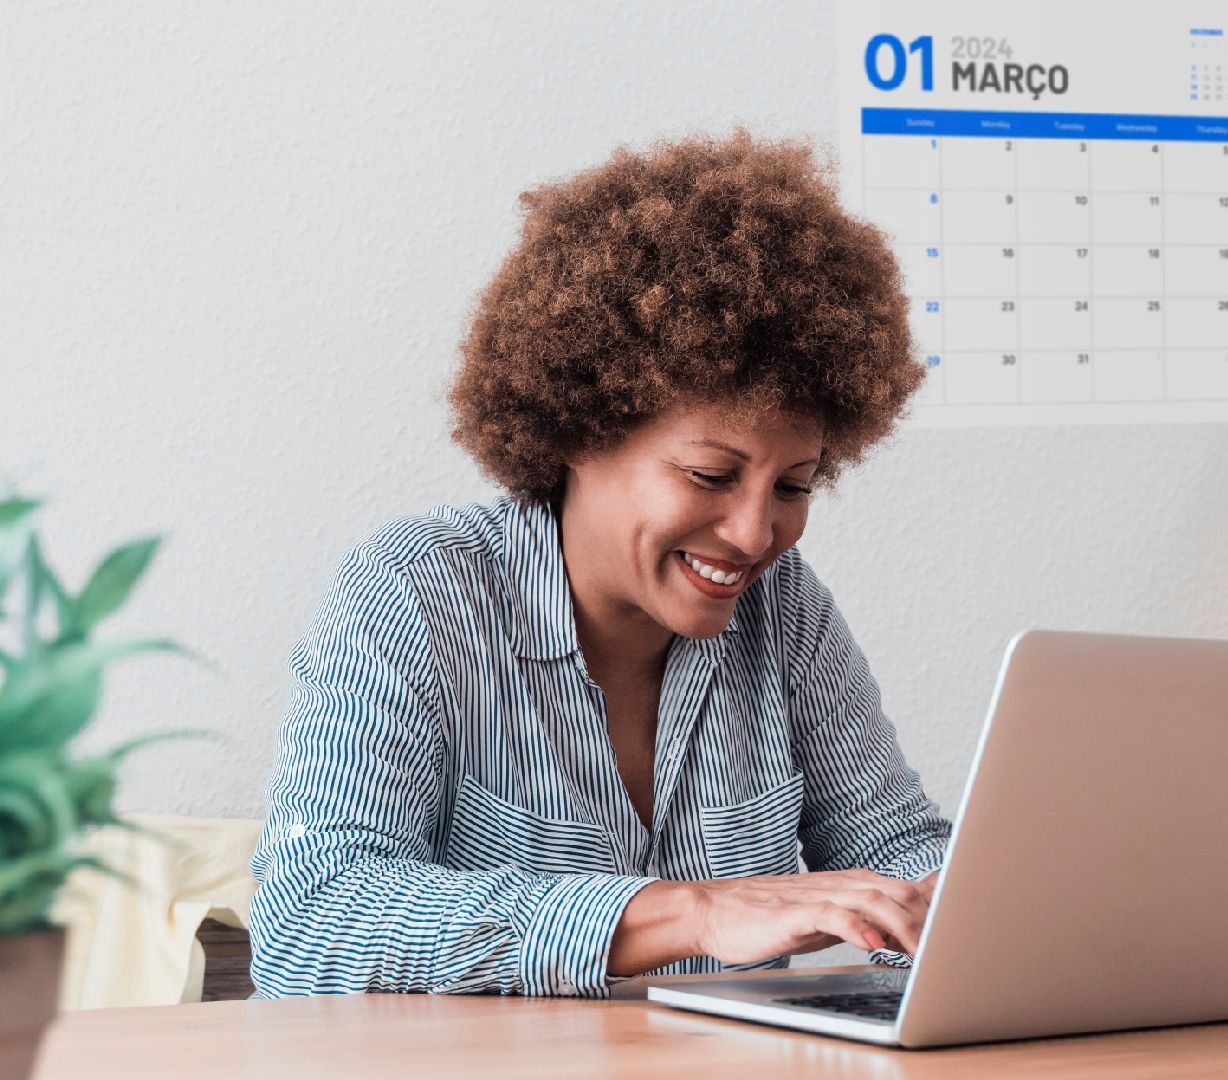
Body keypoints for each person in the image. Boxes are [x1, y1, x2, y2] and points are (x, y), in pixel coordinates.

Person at [246, 130, 951, 998]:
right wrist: (688, 914)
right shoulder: (420, 592)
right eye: (711, 475)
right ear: (580, 428)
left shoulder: (783, 613)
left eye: (794, 487)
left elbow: (895, 854)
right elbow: (312, 923)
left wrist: (982, 905)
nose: (753, 532)